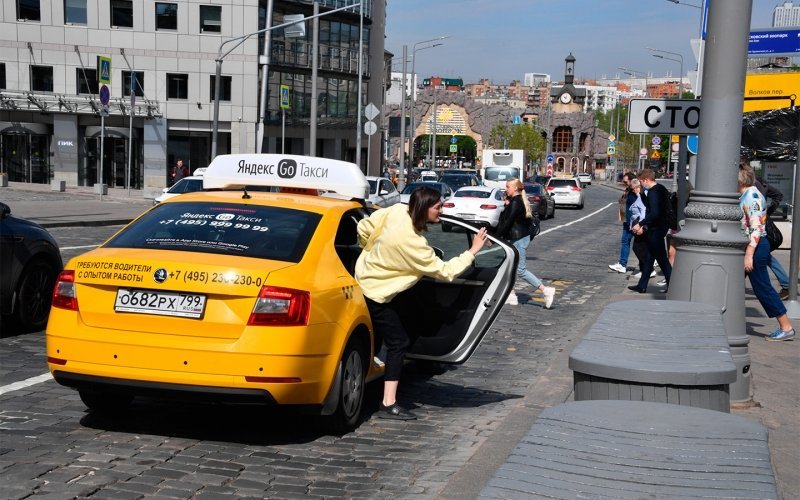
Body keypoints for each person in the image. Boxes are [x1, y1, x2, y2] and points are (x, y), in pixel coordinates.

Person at [354, 186, 489, 420]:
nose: (442, 210)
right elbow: (446, 272)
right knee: (399, 342)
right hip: (377, 292)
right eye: (438, 207)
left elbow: (364, 226)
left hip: (365, 276)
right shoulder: (414, 245)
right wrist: (472, 250)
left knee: (413, 317)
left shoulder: (396, 211)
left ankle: (380, 368)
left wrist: (369, 249)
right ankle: (388, 402)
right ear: (424, 208)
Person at [738, 164, 795, 341]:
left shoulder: (751, 197)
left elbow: (755, 228)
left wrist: (749, 254)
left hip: (754, 247)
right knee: (733, 285)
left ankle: (786, 326)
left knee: (762, 287)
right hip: (753, 246)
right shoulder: (750, 193)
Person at [493, 178, 555, 308]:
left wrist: (495, 238)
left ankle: (546, 290)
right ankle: (511, 295)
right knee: (509, 267)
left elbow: (507, 222)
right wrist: (506, 205)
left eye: (508, 186)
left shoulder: (516, 202)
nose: (506, 189)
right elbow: (507, 219)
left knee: (520, 270)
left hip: (519, 239)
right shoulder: (515, 201)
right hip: (517, 238)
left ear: (515, 188)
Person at [629, 169, 672, 293]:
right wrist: (641, 194)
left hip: (656, 230)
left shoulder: (653, 192)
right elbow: (650, 206)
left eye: (642, 182)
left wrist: (640, 224)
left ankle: (673, 286)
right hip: (660, 228)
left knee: (662, 260)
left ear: (646, 180)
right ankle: (642, 285)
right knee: (649, 258)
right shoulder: (661, 189)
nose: (641, 185)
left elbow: (654, 213)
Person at [754, 174, 791, 300]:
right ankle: (786, 284)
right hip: (760, 224)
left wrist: (767, 212)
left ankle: (785, 286)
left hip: (755, 226)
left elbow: (778, 196)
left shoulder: (753, 185)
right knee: (766, 257)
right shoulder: (762, 183)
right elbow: (778, 195)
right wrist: (768, 211)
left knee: (761, 256)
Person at [608, 172, 636, 273]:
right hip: (627, 220)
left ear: (631, 180)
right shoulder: (628, 189)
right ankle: (622, 264)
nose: (624, 183)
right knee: (629, 242)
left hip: (632, 221)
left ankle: (623, 264)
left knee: (629, 242)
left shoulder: (634, 191)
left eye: (625, 181)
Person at [628, 179, 649, 274]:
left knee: (637, 248)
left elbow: (643, 212)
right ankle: (644, 270)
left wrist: (640, 226)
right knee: (641, 247)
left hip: (640, 225)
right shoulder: (639, 195)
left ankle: (648, 269)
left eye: (633, 189)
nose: (632, 191)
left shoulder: (641, 196)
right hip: (639, 224)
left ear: (637, 187)